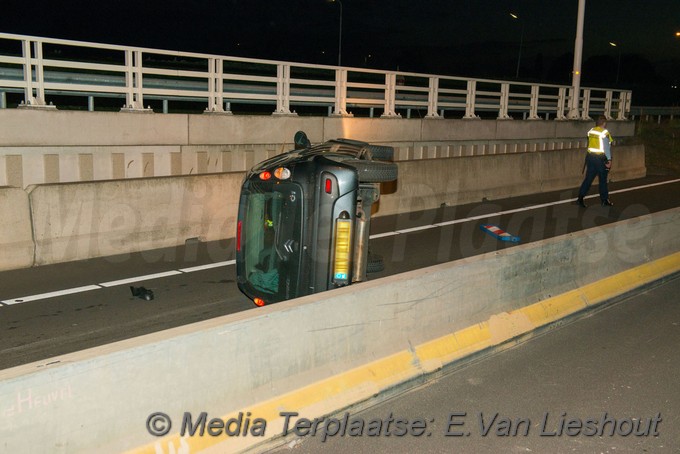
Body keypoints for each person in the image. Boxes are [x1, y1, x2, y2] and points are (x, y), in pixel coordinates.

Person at [577, 115, 614, 207]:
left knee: (588, 179)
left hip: (590, 158)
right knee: (603, 181)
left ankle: (580, 198)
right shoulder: (604, 133)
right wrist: (609, 160)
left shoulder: (591, 131)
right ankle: (604, 200)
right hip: (601, 160)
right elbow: (606, 148)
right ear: (604, 123)